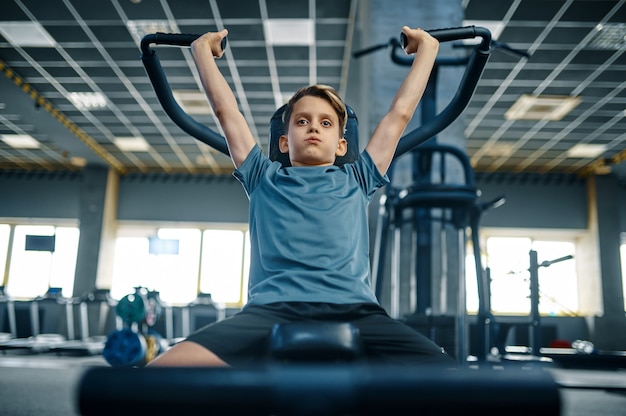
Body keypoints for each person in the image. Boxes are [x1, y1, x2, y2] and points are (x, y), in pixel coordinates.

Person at [149, 25, 453, 367]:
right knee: (160, 372)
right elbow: (226, 112)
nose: (313, 127)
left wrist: (427, 47)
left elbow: (400, 114)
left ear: (342, 144)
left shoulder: (358, 177)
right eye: (302, 121)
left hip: (356, 313)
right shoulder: (262, 176)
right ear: (283, 141)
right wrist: (202, 50)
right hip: (269, 313)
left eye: (326, 123)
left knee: (452, 378)